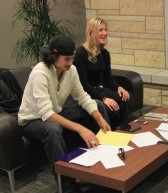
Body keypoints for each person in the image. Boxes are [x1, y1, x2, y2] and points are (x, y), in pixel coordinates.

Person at [18, 35, 111, 193]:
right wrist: (80, 129)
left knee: (98, 105)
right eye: (66, 59)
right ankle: (66, 186)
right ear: (53, 57)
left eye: (72, 59)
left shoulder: (71, 70)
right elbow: (46, 114)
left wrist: (99, 117)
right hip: (32, 121)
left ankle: (106, 161)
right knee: (53, 129)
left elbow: (82, 96)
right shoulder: (40, 73)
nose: (70, 63)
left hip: (55, 113)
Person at [74, 17, 130, 131]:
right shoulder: (81, 53)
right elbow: (83, 84)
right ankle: (108, 136)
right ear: (91, 33)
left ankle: (124, 130)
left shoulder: (104, 53)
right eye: (100, 30)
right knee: (110, 109)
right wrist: (104, 99)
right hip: (86, 93)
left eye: (105, 29)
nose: (104, 33)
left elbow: (108, 78)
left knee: (125, 97)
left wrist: (119, 87)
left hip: (100, 89)